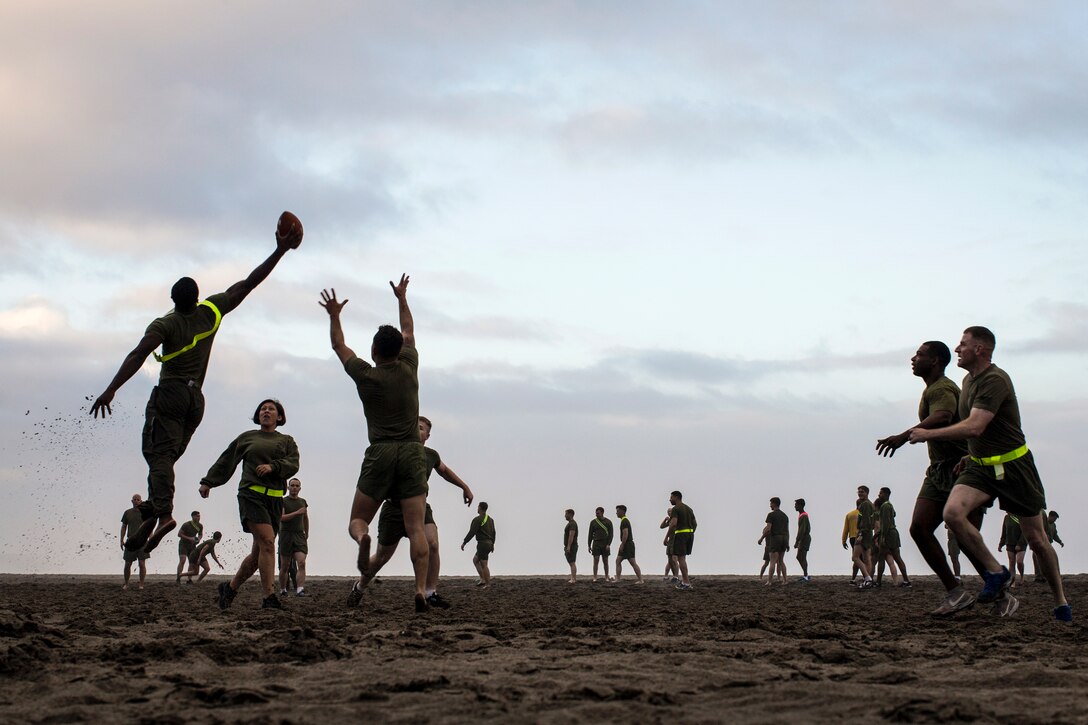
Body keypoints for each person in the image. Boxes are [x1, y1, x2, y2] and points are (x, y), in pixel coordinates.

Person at [90, 215, 301, 555]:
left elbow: (138, 353)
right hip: (195, 402)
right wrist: (279, 251)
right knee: (167, 460)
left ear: (174, 300)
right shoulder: (211, 310)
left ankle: (164, 514)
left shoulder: (166, 323)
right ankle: (152, 517)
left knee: (157, 455)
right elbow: (248, 283)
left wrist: (112, 387)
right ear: (197, 296)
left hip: (171, 394)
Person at [909, 326, 1070, 621]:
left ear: (980, 349)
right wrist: (970, 455)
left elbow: (975, 426)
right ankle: (996, 573)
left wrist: (925, 433)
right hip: (981, 466)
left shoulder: (995, 380)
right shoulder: (967, 382)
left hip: (1015, 466)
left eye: (963, 344)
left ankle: (1060, 601)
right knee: (952, 514)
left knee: (1036, 540)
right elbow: (978, 431)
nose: (957, 349)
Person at [321, 278, 432, 613]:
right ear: (399, 351)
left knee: (358, 519)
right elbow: (409, 329)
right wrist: (401, 297)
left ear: (373, 352)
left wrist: (334, 315)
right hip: (412, 452)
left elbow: (340, 347)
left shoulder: (365, 375)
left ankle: (362, 539)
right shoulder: (410, 367)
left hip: (380, 452)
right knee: (415, 528)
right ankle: (419, 592)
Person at [876, 340, 984, 614]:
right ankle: (956, 592)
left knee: (967, 538)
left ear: (935, 360)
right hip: (938, 471)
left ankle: (1000, 589)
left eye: (920, 355)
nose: (913, 358)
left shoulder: (944, 388)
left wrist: (904, 435)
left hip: (961, 470)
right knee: (919, 528)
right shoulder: (932, 389)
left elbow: (944, 415)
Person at [358, 416, 475, 609]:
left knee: (433, 544)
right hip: (393, 509)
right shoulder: (396, 451)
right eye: (414, 427)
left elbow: (444, 471)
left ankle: (429, 593)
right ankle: (360, 586)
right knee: (381, 557)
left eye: (421, 428)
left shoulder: (431, 455)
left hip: (420, 507)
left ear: (427, 436)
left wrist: (464, 487)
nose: (417, 431)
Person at [200, 398, 300, 611]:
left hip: (274, 499)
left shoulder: (287, 441)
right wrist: (208, 481)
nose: (266, 411)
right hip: (250, 495)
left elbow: (293, 464)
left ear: (279, 417)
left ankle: (230, 588)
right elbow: (226, 460)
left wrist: (274, 467)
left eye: (271, 409)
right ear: (258, 415)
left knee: (258, 555)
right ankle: (269, 598)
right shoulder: (247, 438)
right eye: (263, 409)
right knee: (268, 542)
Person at [874, 487, 911, 587]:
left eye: (880, 493)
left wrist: (882, 537)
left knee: (881, 558)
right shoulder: (890, 505)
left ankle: (878, 582)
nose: (879, 495)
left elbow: (885, 524)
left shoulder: (885, 506)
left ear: (886, 494)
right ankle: (906, 581)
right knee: (897, 558)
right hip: (894, 533)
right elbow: (893, 515)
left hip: (888, 533)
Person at [278, 478, 309, 597]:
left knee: (301, 562)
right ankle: (283, 589)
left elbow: (305, 518)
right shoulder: (283, 501)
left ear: (300, 488)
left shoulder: (303, 502)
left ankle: (300, 589)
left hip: (299, 535)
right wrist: (297, 513)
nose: (294, 488)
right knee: (285, 565)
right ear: (288, 487)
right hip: (286, 534)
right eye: (292, 485)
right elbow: (281, 517)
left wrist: (307, 532)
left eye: (297, 486)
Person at [665, 491, 697, 590]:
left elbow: (673, 524)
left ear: (676, 497)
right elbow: (695, 524)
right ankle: (684, 581)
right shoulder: (689, 509)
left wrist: (666, 537)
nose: (670, 499)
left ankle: (686, 583)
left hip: (680, 535)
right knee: (682, 559)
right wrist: (690, 533)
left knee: (681, 559)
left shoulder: (676, 509)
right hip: (689, 535)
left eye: (671, 497)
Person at [461, 502, 495, 587]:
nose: (477, 508)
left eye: (478, 507)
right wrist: (493, 544)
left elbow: (472, 532)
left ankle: (487, 584)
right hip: (489, 543)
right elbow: (494, 533)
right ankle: (482, 579)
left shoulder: (478, 519)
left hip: (483, 544)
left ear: (480, 508)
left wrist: (464, 542)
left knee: (484, 564)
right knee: (475, 560)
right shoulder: (490, 520)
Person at [120, 493, 150, 590]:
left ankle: (141, 584)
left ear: (141, 501)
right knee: (127, 563)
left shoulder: (145, 512)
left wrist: (152, 540)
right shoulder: (127, 512)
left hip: (142, 541)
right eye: (135, 499)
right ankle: (126, 583)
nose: (136, 501)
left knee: (142, 564)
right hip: (130, 541)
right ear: (132, 501)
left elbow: (149, 527)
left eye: (138, 499)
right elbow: (124, 526)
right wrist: (121, 540)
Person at [759, 498, 789, 585]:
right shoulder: (785, 516)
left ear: (774, 504)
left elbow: (768, 529)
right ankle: (785, 580)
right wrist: (787, 542)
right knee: (781, 561)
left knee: (772, 561)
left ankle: (769, 581)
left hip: (775, 538)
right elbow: (787, 531)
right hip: (784, 538)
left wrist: (761, 538)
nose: (770, 505)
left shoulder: (771, 515)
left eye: (771, 504)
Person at [852, 487, 875, 589]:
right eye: (859, 492)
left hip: (864, 533)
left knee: (855, 557)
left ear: (867, 493)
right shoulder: (869, 504)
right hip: (869, 533)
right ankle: (868, 580)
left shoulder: (865, 504)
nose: (860, 493)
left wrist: (861, 535)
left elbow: (865, 521)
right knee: (866, 558)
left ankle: (867, 578)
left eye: (862, 492)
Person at [614, 505, 644, 584]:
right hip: (626, 543)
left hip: (628, 544)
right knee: (618, 561)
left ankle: (641, 580)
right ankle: (618, 579)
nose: (616, 513)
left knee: (633, 562)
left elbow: (625, 534)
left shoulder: (625, 521)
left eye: (617, 511)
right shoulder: (623, 520)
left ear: (622, 511)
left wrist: (622, 545)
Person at [997, 513, 1028, 589]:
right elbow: (1004, 531)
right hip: (1010, 542)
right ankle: (1012, 581)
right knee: (1011, 562)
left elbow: (1025, 531)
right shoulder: (1007, 517)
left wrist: (1019, 544)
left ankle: (1021, 576)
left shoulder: (1021, 516)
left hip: (1021, 542)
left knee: (1019, 561)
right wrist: (1001, 544)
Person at [587, 507, 614, 582]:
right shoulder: (593, 522)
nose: (596, 514)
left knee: (605, 560)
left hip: (605, 543)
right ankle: (595, 577)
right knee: (596, 560)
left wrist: (609, 544)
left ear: (602, 513)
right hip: (596, 543)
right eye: (596, 513)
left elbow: (611, 534)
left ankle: (606, 577)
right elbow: (590, 534)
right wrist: (589, 545)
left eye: (598, 513)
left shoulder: (608, 522)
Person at [176, 511, 203, 584]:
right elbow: (179, 534)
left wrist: (199, 539)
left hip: (192, 546)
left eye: (199, 516)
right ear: (192, 516)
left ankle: (189, 579)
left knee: (191, 562)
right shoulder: (186, 524)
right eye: (197, 516)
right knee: (182, 560)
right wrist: (189, 538)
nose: (198, 518)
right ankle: (178, 577)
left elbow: (200, 534)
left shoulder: (200, 526)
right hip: (183, 544)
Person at [794, 499, 811, 582]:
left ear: (801, 505)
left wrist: (797, 541)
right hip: (803, 538)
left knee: (802, 557)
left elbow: (802, 530)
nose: (795, 506)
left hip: (804, 538)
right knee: (799, 557)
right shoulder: (802, 515)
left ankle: (806, 576)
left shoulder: (804, 516)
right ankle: (806, 575)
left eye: (796, 505)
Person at [841, 506, 860, 584]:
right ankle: (868, 577)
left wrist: (843, 540)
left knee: (856, 558)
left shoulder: (849, 514)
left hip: (852, 537)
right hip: (861, 536)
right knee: (864, 558)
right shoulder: (863, 514)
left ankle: (853, 578)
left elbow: (846, 529)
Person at [660, 508, 678, 582]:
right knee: (669, 559)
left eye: (670, 511)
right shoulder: (670, 520)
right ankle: (667, 575)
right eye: (668, 512)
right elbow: (661, 526)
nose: (669, 513)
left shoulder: (675, 519)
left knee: (674, 559)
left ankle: (676, 576)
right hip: (670, 541)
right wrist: (665, 520)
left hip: (676, 540)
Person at [564, 509, 578, 583]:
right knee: (571, 562)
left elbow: (571, 535)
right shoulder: (570, 523)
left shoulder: (572, 524)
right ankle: (573, 578)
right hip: (570, 545)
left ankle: (573, 578)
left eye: (566, 514)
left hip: (572, 546)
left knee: (572, 562)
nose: (565, 516)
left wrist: (569, 546)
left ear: (570, 514)